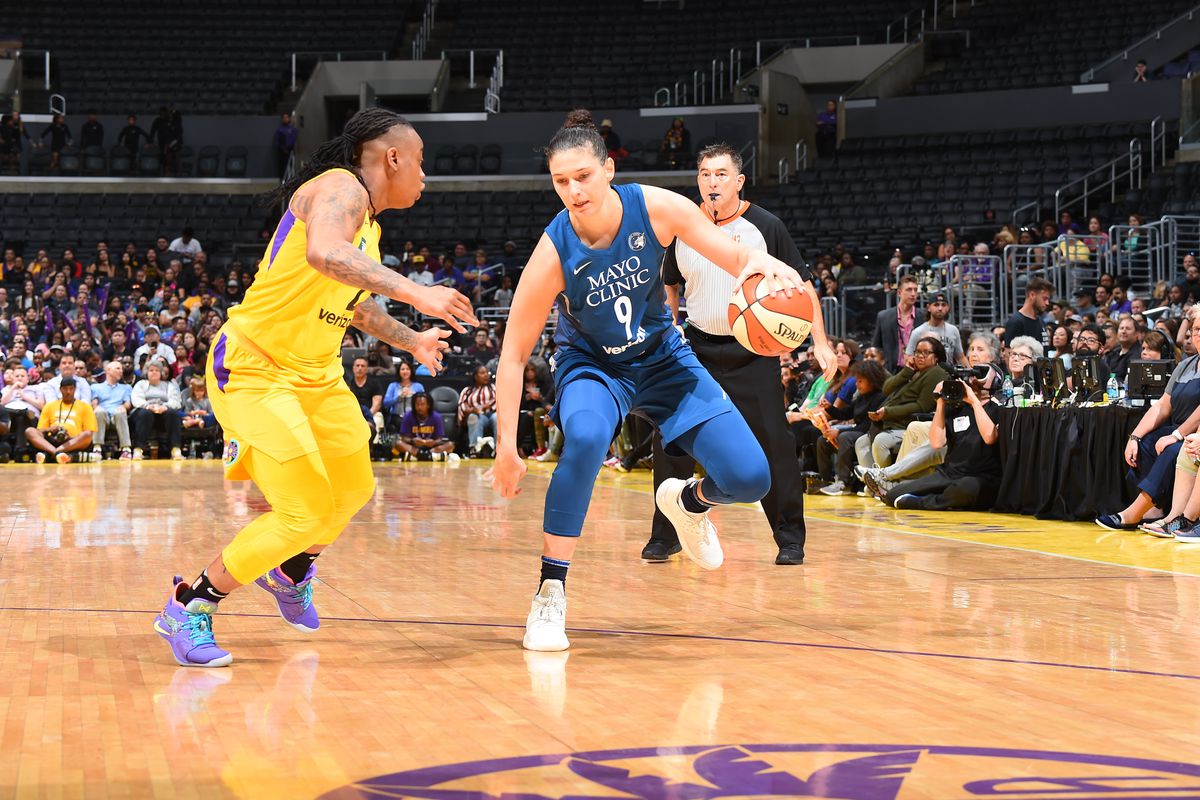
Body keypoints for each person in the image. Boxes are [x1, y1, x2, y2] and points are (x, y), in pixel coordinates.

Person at [487, 110, 833, 652]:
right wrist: (506, 448)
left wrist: (762, 265)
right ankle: (550, 593)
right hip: (595, 367)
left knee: (750, 478)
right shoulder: (553, 251)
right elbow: (512, 357)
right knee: (585, 438)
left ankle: (689, 503)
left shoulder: (655, 207)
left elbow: (730, 252)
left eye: (583, 176)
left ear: (608, 169)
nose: (574, 191)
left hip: (663, 359)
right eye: (561, 181)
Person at [153, 107, 476, 668]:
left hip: (316, 375)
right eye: (420, 161)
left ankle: (291, 569)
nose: (424, 175)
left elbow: (356, 306)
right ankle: (190, 604)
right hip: (255, 367)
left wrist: (413, 341)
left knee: (353, 488)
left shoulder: (369, 226)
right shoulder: (339, 187)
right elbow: (324, 252)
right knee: (303, 510)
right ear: (392, 158)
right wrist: (419, 293)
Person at [640, 142, 831, 564]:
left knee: (773, 443)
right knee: (672, 439)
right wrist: (669, 323)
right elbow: (670, 283)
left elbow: (802, 285)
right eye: (705, 174)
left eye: (721, 174)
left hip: (752, 352)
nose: (712, 181)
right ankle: (666, 535)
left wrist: (820, 341)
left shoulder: (765, 226)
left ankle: (789, 538)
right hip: (694, 350)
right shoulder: (683, 227)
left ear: (739, 181)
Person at [1096, 316, 1200, 531]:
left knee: (1172, 449)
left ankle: (1133, 514)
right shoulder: (1185, 365)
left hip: (1192, 432)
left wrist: (1176, 435)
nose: (1198, 334)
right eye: (1196, 329)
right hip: (1178, 428)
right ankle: (1156, 509)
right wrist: (1134, 437)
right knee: (1145, 444)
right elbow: (1162, 405)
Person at [25, 377, 96, 463]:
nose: (68, 392)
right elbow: (40, 430)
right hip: (52, 440)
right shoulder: (49, 406)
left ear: (75, 389)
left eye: (71, 389)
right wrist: (50, 429)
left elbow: (89, 431)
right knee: (30, 431)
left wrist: (71, 437)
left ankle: (52, 454)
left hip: (73, 441)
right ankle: (57, 453)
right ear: (60, 390)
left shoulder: (85, 407)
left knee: (87, 435)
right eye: (65, 389)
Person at [871, 274, 920, 373]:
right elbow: (876, 347)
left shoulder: (923, 316)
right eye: (909, 290)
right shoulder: (884, 317)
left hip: (917, 370)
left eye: (915, 290)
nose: (913, 293)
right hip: (891, 371)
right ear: (899, 293)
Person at [906, 291, 968, 367]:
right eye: (936, 305)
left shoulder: (953, 330)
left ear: (948, 308)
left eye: (943, 305)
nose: (940, 308)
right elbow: (908, 358)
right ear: (928, 307)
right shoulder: (918, 332)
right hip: (927, 373)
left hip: (948, 373)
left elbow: (960, 357)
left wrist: (971, 372)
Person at [394, 391, 457, 462]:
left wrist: (434, 442)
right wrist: (413, 440)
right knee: (398, 443)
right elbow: (404, 438)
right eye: (417, 404)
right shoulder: (408, 416)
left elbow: (440, 439)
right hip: (415, 448)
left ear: (428, 405)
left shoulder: (436, 417)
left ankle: (417, 457)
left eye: (422, 404)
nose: (419, 407)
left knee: (450, 445)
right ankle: (431, 457)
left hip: (431, 448)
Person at [91, 360, 133, 460]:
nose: (121, 371)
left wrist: (124, 407)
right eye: (118, 368)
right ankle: (97, 448)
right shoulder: (96, 387)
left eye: (121, 369)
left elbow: (127, 403)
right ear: (108, 370)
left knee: (120, 412)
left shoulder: (126, 387)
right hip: (103, 416)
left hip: (117, 416)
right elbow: (94, 404)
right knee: (99, 411)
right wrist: (96, 407)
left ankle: (126, 449)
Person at [1003, 277, 1053, 349]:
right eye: (1044, 298)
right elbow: (1009, 353)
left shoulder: (1041, 322)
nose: (1047, 303)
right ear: (1032, 295)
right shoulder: (1016, 322)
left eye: (1048, 299)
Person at [459, 364, 497, 457]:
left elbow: (498, 400)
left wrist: (484, 407)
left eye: (487, 373)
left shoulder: (494, 387)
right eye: (482, 373)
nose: (486, 375)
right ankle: (475, 449)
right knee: (473, 417)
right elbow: (462, 405)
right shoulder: (467, 390)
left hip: (492, 414)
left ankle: (498, 448)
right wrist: (472, 410)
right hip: (476, 415)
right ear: (475, 376)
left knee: (497, 417)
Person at [273, 112, 297, 179]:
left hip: (290, 151)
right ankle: (282, 180)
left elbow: (294, 139)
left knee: (290, 166)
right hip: (282, 152)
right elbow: (277, 141)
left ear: (289, 118)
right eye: (284, 118)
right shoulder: (279, 130)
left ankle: (291, 179)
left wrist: (291, 148)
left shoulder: (292, 129)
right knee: (282, 166)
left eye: (286, 117)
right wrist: (282, 148)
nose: (285, 119)